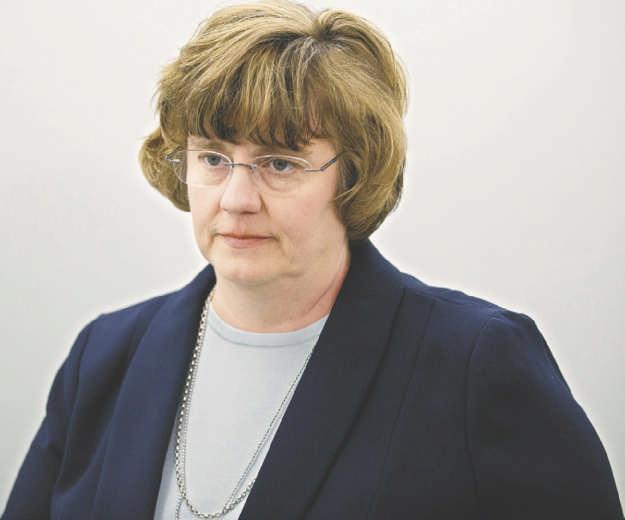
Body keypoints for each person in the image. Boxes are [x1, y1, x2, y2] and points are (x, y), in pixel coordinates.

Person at [3, 1, 623, 519]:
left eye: (280, 163)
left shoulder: (475, 364)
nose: (237, 199)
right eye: (213, 158)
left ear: (353, 175)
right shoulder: (105, 357)